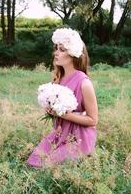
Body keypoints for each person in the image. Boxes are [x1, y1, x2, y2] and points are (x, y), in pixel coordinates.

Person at [27, 27, 98, 168]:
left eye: (62, 49)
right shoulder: (59, 79)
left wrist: (63, 114)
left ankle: (82, 155)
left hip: (78, 138)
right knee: (34, 162)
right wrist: (51, 110)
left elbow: (93, 120)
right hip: (60, 133)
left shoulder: (84, 83)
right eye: (56, 48)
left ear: (73, 54)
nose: (56, 53)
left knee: (47, 166)